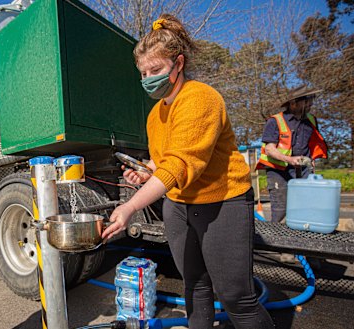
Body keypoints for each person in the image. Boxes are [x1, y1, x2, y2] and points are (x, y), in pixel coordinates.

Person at [101, 15, 274, 328]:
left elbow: (181, 163)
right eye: (143, 73)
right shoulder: (156, 114)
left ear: (178, 63)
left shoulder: (201, 99)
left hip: (223, 201)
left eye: (155, 70)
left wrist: (130, 206)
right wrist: (146, 171)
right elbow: (165, 160)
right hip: (178, 206)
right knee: (194, 285)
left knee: (236, 296)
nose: (148, 78)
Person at [256, 85, 328, 223]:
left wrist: (312, 161)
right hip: (279, 171)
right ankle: (276, 241)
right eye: (307, 100)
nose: (310, 104)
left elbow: (313, 144)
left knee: (306, 207)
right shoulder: (275, 121)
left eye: (311, 99)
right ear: (294, 103)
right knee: (281, 210)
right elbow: (270, 149)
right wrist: (289, 159)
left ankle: (302, 237)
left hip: (303, 170)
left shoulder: (312, 120)